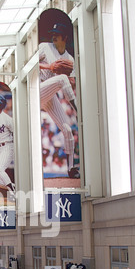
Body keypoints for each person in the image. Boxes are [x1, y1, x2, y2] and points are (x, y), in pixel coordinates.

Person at [39, 22, 78, 178]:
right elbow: (29, 65)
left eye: (57, 33)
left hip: (50, 94)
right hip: (37, 90)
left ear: (65, 37)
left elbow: (72, 81)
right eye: (53, 32)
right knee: (61, 78)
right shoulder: (45, 46)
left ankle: (71, 168)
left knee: (67, 130)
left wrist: (68, 73)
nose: (54, 35)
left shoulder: (69, 58)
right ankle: (77, 110)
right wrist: (50, 67)